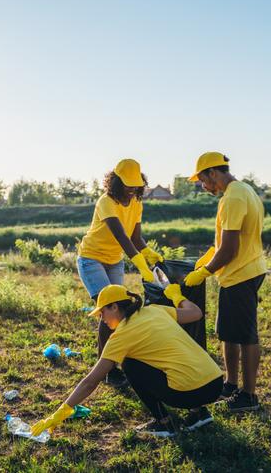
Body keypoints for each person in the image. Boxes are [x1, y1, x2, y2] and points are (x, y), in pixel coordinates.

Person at [31, 284, 223, 438]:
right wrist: (177, 296)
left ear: (114, 307)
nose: (101, 319)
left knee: (129, 364)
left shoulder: (121, 336)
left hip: (188, 394)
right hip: (215, 384)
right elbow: (195, 313)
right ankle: (199, 413)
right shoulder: (155, 310)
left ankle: (164, 423)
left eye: (102, 313)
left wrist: (60, 412)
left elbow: (91, 381)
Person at [183, 152, 267, 412]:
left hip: (242, 271)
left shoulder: (233, 197)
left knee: (246, 334)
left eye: (202, 180)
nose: (203, 186)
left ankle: (248, 396)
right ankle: (230, 385)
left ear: (213, 173)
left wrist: (204, 272)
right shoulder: (245, 190)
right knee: (228, 332)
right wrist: (210, 256)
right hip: (239, 271)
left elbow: (230, 249)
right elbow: (229, 240)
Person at [76, 159, 162, 386]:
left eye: (135, 184)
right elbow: (121, 236)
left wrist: (148, 252)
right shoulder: (106, 201)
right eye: (127, 184)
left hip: (114, 261)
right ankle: (108, 371)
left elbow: (135, 238)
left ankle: (118, 362)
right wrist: (139, 264)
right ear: (116, 182)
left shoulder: (136, 203)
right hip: (91, 259)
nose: (131, 188)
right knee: (109, 309)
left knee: (120, 310)